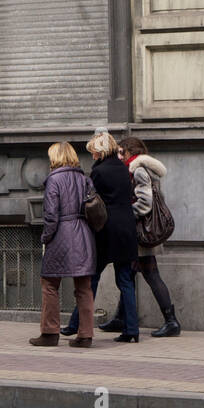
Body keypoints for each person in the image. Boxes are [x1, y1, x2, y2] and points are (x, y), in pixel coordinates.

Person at [61, 131, 140, 342]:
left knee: (90, 280)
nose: (92, 155)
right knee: (125, 281)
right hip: (127, 229)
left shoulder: (99, 172)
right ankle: (132, 330)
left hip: (106, 230)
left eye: (94, 151)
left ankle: (76, 324)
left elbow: (93, 200)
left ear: (101, 151)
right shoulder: (124, 170)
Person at [103, 135, 181, 338]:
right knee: (128, 275)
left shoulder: (138, 170)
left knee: (150, 275)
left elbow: (145, 203)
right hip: (140, 232)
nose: (118, 155)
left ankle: (171, 322)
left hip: (142, 234)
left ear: (130, 152)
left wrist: (125, 214)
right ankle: (122, 318)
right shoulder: (140, 169)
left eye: (121, 151)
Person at [29, 141, 97, 348]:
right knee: (84, 287)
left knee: (50, 284)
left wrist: (46, 238)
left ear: (55, 158)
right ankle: (85, 335)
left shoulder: (54, 180)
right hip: (83, 233)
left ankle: (50, 332)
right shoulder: (84, 179)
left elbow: (51, 214)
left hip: (61, 234)